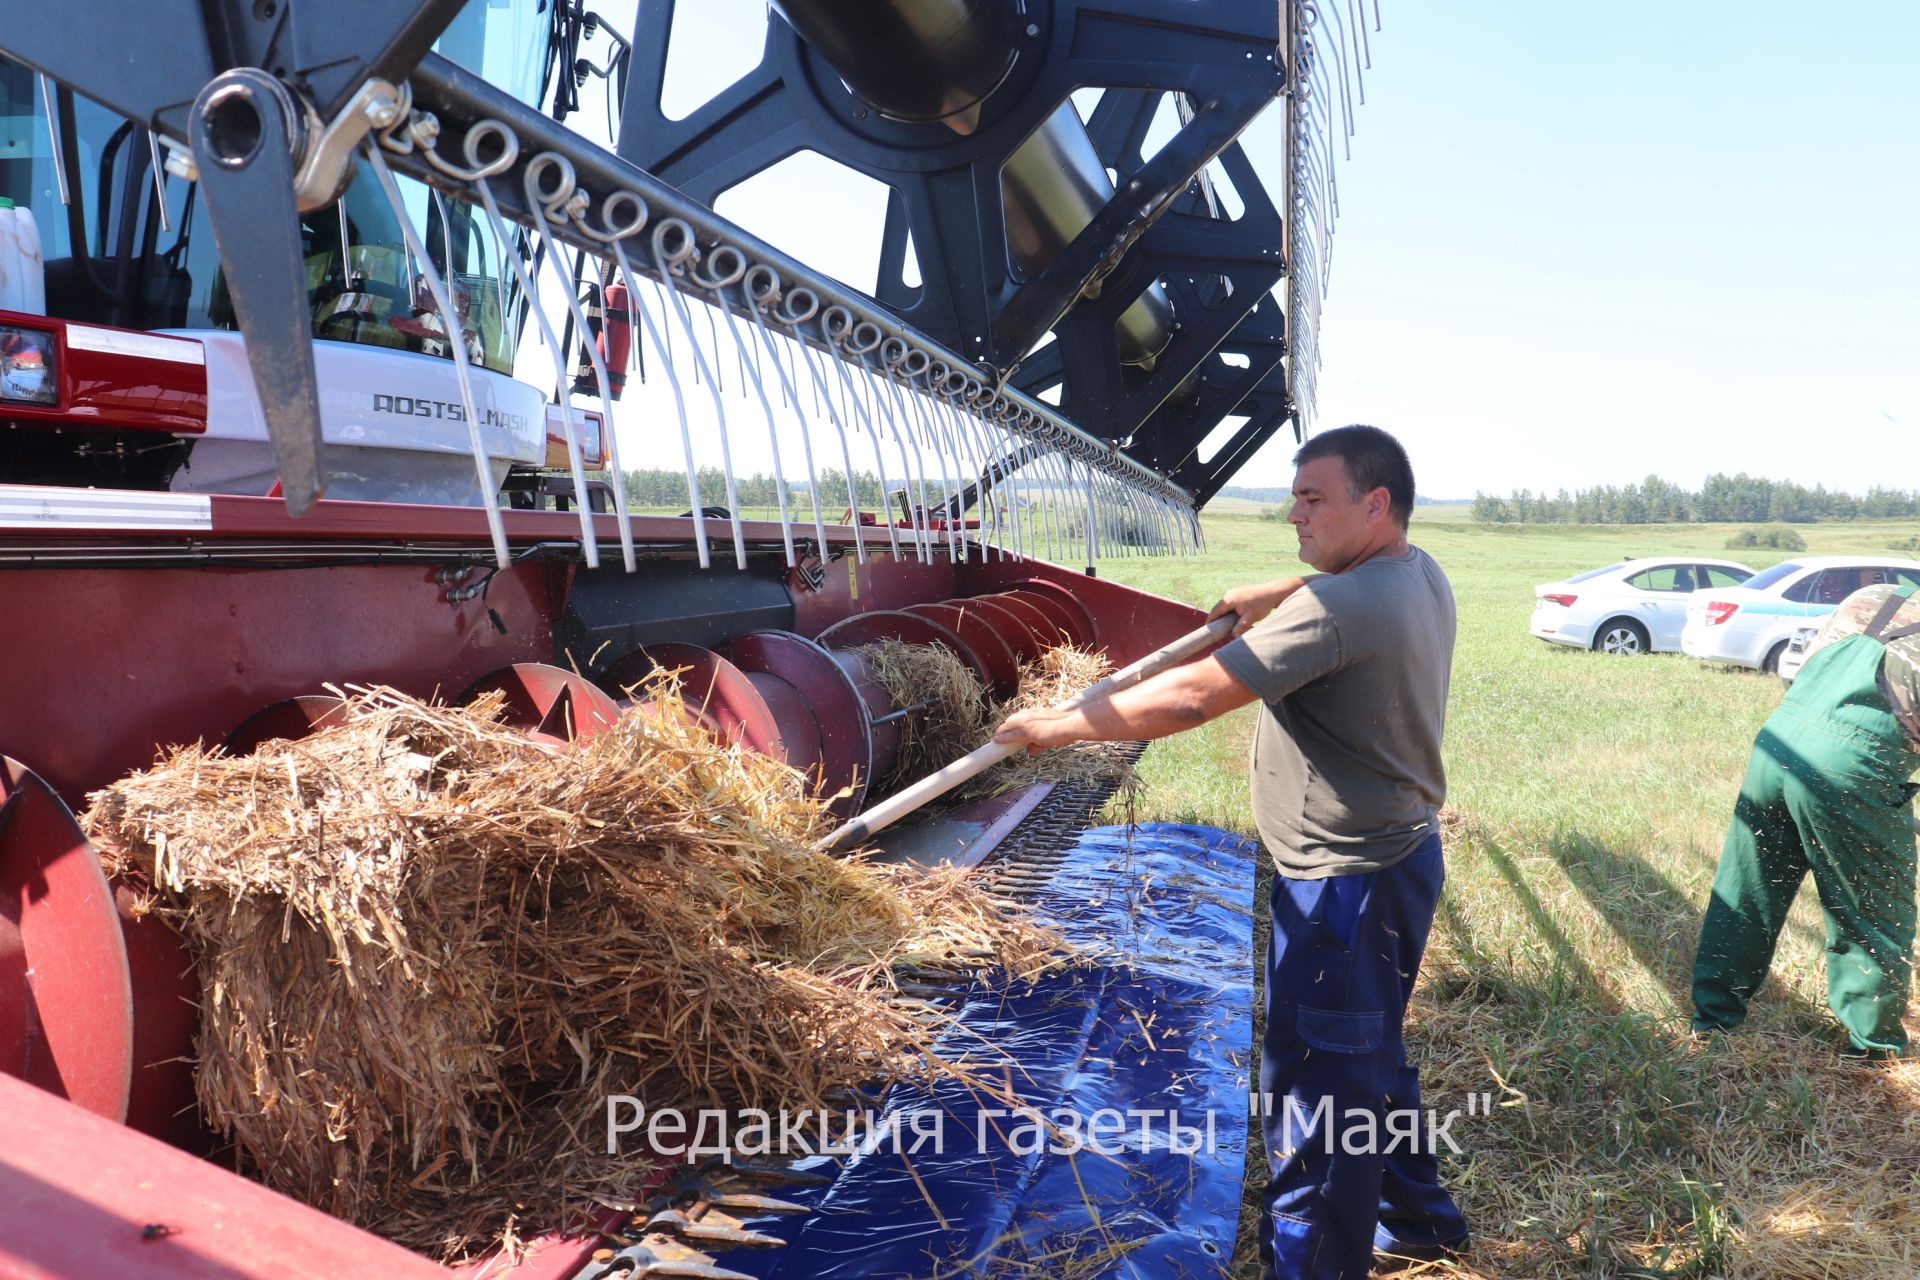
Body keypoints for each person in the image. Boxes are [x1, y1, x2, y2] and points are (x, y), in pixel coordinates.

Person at [994, 424, 1468, 1279]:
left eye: (1312, 499)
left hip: (1342, 891)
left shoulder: (1343, 608)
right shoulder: (1415, 572)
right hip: (1396, 862)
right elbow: (1341, 584)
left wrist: (1053, 728)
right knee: (1373, 1055)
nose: (1294, 514)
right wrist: (1279, 586)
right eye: (1293, 498)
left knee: (1318, 1096)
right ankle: (1424, 1221)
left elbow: (1188, 700)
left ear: (1377, 503)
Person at [1691, 582, 1920, 1061]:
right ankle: (1875, 1051)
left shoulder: (1878, 595)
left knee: (1749, 888)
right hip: (1857, 764)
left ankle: (1712, 1022)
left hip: (1780, 740)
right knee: (1873, 912)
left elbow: (1802, 670)